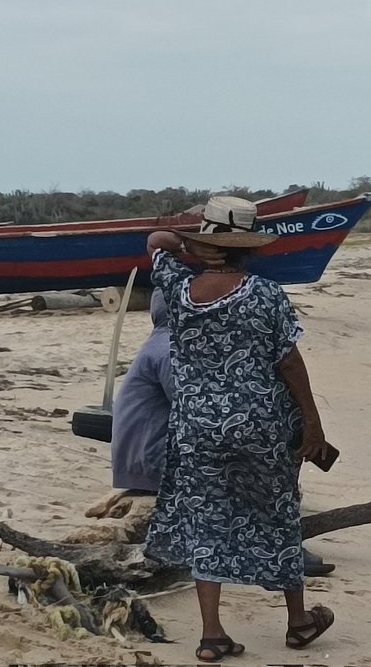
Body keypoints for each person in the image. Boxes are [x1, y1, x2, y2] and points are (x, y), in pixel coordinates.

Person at [144, 196, 335, 662]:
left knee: (206, 521)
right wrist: (312, 422)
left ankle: (212, 635)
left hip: (196, 425)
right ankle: (298, 622)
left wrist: (191, 242)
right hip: (261, 425)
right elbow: (288, 362)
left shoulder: (177, 286)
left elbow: (156, 240)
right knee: (277, 514)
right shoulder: (266, 294)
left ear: (209, 242)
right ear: (246, 247)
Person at [111, 290, 171, 494]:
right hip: (150, 458)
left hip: (135, 458)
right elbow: (190, 404)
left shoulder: (158, 340)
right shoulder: (170, 347)